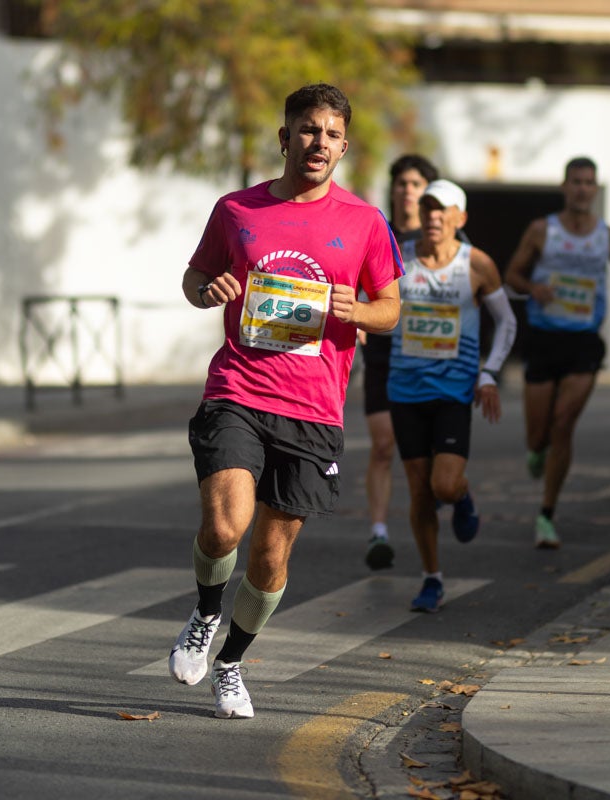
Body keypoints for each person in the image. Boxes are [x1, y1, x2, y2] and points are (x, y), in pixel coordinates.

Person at [169, 83, 403, 719]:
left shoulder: (364, 222)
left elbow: (391, 306)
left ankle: (232, 661)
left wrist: (363, 310)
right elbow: (195, 278)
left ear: (344, 147)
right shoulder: (235, 210)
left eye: (330, 133)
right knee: (225, 525)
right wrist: (205, 289)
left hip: (314, 408)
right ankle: (204, 613)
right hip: (238, 389)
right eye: (306, 129)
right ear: (284, 138)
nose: (317, 142)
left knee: (271, 557)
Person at [503, 156, 610, 549]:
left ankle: (547, 515)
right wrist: (534, 289)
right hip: (544, 338)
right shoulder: (541, 231)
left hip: (585, 340)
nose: (583, 189)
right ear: (565, 187)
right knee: (538, 436)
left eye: (589, 182)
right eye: (576, 182)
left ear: (595, 189)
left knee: (564, 423)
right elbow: (512, 275)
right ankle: (538, 451)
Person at [387, 179, 517, 613]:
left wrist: (489, 374)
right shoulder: (399, 258)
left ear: (460, 218)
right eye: (427, 208)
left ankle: (462, 496)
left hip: (454, 392)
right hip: (404, 390)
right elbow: (378, 305)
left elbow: (507, 322)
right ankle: (432, 578)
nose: (433, 217)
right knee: (420, 492)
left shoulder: (477, 265)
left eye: (443, 210)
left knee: (443, 484)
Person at [360, 154, 440, 572]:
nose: (407, 190)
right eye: (401, 183)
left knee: (423, 453)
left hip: (427, 351)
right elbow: (352, 278)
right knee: (384, 444)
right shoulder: (375, 231)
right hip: (383, 349)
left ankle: (436, 504)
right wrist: (356, 318)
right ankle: (378, 532)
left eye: (415, 183)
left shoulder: (439, 238)